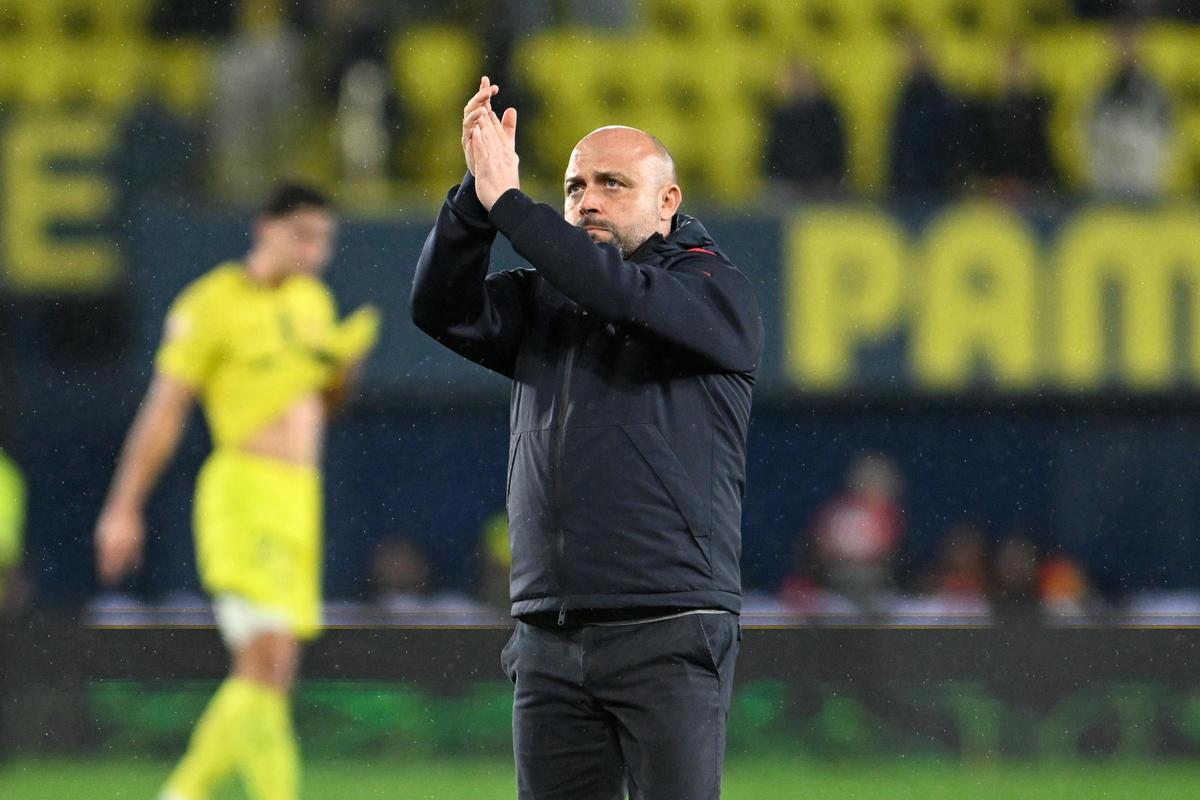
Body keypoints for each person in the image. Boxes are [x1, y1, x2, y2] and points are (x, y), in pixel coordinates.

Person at [411, 76, 763, 800]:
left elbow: (619, 294)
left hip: (669, 626)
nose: (587, 201)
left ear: (668, 202)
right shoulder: (549, 296)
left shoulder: (714, 291)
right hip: (550, 633)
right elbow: (439, 307)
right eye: (574, 187)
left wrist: (512, 204)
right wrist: (475, 198)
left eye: (612, 184)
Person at [94, 184, 379, 800]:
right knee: (267, 659)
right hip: (242, 494)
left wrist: (344, 371)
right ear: (265, 228)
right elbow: (164, 410)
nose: (315, 252)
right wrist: (124, 507)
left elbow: (321, 407)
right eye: (303, 235)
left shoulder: (312, 301)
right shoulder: (210, 304)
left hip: (299, 498)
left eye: (324, 240)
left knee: (272, 670)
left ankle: (181, 793)